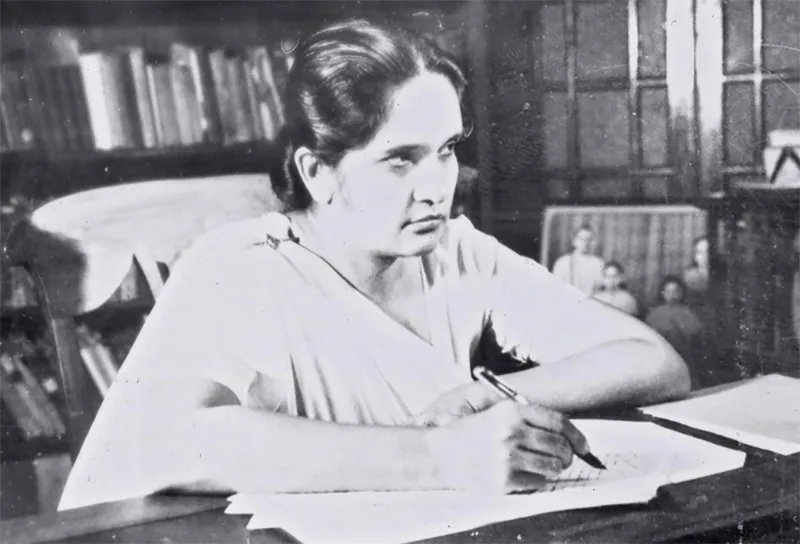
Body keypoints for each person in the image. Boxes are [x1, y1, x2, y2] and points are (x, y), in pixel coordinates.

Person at [58, 19, 690, 511]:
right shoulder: (242, 266)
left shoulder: (458, 252)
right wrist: (442, 457)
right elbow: (171, 443)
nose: (435, 187)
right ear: (316, 172)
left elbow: (654, 360)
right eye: (399, 159)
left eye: (445, 150)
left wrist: (485, 396)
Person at [646, 276, 705, 387]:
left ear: (681, 293)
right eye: (668, 291)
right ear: (662, 293)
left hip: (684, 358)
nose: (671, 294)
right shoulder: (654, 314)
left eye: (675, 291)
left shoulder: (688, 313)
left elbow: (695, 335)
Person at [551, 225, 605, 295]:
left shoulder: (599, 263)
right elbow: (555, 287)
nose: (585, 243)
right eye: (581, 239)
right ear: (574, 241)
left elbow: (601, 289)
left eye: (589, 239)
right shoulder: (562, 262)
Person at [683, 236, 709, 306]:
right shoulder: (690, 276)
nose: (704, 256)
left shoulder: (720, 276)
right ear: (695, 256)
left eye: (707, 252)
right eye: (700, 252)